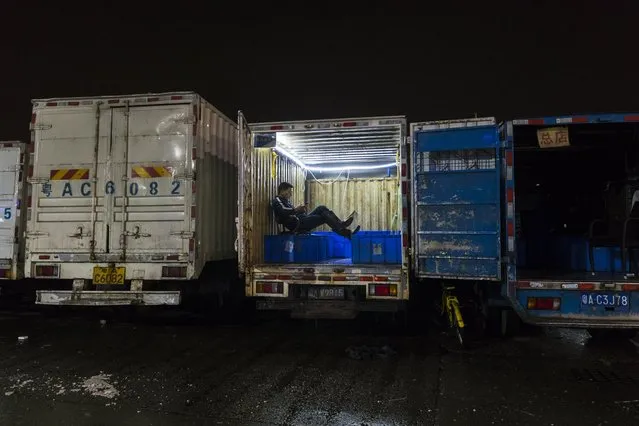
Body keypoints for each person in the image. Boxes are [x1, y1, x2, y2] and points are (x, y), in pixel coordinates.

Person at [272, 182, 360, 238]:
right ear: (282, 190)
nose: (290, 194)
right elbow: (283, 212)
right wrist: (296, 210)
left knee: (322, 208)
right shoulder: (277, 200)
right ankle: (343, 230)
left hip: (301, 219)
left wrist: (300, 210)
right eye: (289, 191)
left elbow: (291, 211)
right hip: (297, 223)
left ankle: (341, 226)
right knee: (325, 216)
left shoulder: (286, 201)